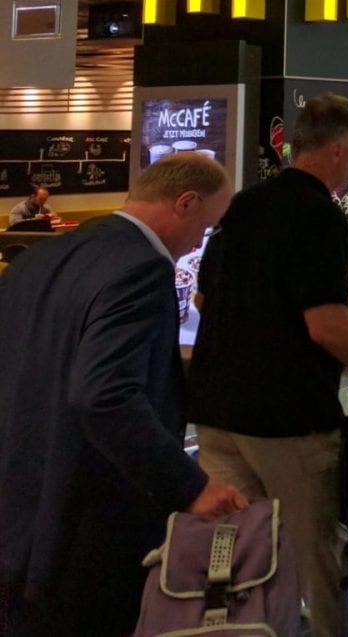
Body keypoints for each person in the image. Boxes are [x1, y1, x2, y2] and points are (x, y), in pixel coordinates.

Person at [187, 94, 348, 637]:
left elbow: (203, 301)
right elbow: (326, 325)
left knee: (237, 555)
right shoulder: (319, 213)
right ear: (336, 150)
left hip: (214, 410)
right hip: (288, 419)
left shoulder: (243, 205)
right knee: (314, 556)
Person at [0, 155, 247, 637]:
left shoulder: (38, 257)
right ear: (185, 202)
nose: (198, 243)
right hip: (83, 530)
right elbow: (104, 395)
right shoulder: (142, 269)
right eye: (205, 227)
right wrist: (191, 487)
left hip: (17, 513)